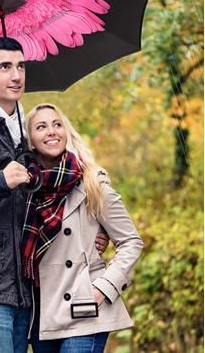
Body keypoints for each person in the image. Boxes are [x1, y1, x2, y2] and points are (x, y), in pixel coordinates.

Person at [0, 37, 109, 353]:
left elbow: (48, 201)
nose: (16, 76)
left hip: (27, 290)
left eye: (21, 66)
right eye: (5, 67)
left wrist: (88, 233)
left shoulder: (26, 134)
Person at [22, 103, 143, 353]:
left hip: (84, 308)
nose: (51, 131)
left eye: (57, 124)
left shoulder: (91, 183)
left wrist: (104, 288)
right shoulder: (24, 190)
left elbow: (131, 241)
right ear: (30, 140)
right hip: (42, 313)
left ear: (66, 132)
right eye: (41, 127)